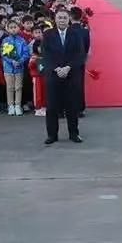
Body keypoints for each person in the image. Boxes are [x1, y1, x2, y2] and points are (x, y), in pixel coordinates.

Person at [42, 8, 87, 144]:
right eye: (59, 18)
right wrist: (57, 69)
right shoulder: (48, 34)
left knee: (72, 106)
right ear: (55, 20)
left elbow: (80, 54)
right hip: (53, 75)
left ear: (69, 20)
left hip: (71, 75)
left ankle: (74, 133)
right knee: (52, 107)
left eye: (64, 18)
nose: (62, 20)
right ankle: (52, 135)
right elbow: (46, 55)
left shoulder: (75, 34)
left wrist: (67, 68)